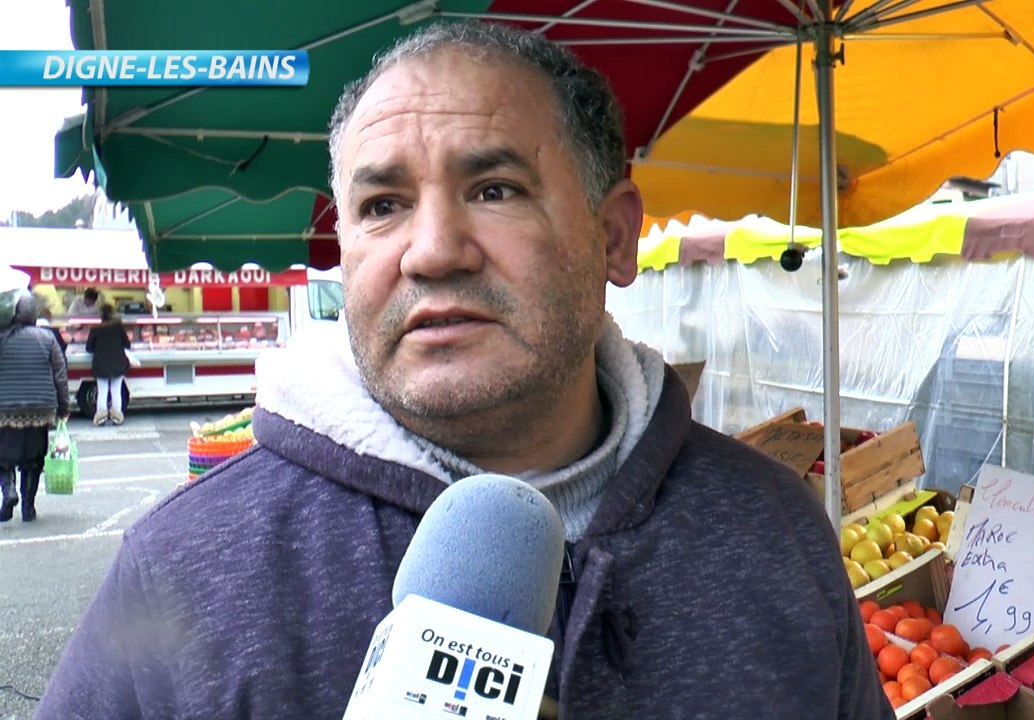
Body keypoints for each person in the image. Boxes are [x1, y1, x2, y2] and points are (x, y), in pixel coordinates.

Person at [37, 21, 891, 720]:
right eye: (382, 207)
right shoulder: (184, 562)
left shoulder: (776, 532)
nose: (434, 251)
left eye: (495, 189)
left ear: (616, 237)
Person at [0, 292, 70, 522]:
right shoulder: (47, 337)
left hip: (6, 408)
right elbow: (60, 374)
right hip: (41, 408)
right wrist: (64, 406)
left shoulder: (2, 337)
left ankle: (8, 491)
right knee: (34, 459)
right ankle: (28, 508)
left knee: (3, 456)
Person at [85, 302, 130, 426]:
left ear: (101, 316)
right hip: (118, 363)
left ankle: (101, 418)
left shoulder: (95, 329)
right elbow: (127, 344)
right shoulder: (119, 328)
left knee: (102, 391)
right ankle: (117, 418)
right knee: (116, 391)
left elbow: (88, 348)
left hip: (101, 365)